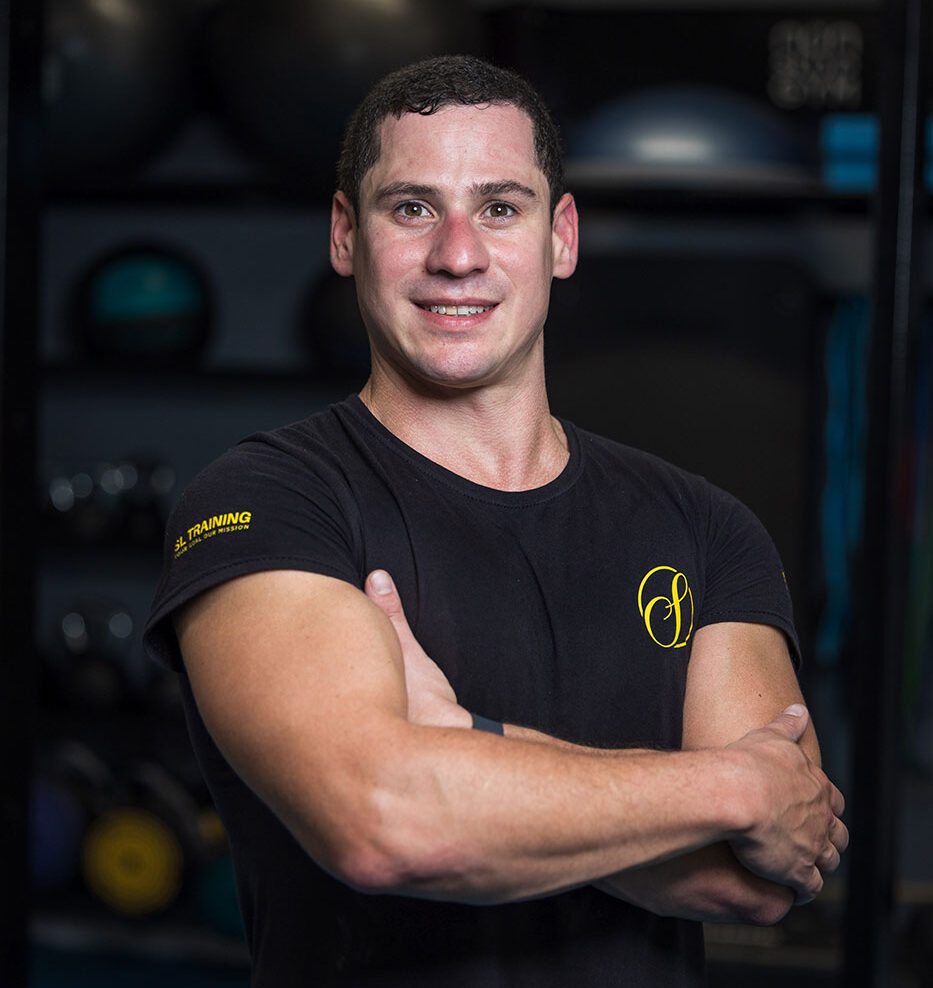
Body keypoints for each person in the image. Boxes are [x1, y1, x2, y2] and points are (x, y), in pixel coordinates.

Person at [144, 54, 847, 987]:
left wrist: (462, 743)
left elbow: (759, 875)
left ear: (561, 237)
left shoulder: (706, 529)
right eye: (412, 208)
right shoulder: (268, 505)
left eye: (500, 208)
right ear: (346, 234)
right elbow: (382, 822)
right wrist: (731, 784)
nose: (458, 254)